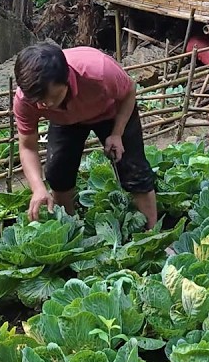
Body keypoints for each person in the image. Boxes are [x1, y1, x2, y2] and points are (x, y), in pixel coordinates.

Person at [12, 43, 158, 228]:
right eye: (39, 101)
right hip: (65, 121)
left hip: (110, 112)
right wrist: (38, 187)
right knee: (58, 174)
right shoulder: (26, 99)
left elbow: (129, 92)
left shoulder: (99, 72)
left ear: (66, 80)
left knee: (134, 170)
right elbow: (27, 147)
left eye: (52, 97)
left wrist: (117, 133)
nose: (44, 105)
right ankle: (70, 226)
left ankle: (152, 232)